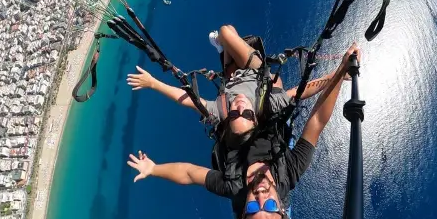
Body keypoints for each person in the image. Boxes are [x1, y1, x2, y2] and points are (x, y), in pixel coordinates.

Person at [127, 43, 361, 219]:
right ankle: (239, 60)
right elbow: (317, 122)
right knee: (275, 82)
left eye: (252, 209)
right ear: (282, 208)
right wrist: (340, 72)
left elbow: (189, 173)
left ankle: (228, 57)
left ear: (242, 217)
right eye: (270, 207)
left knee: (231, 75)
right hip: (265, 114)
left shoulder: (233, 186)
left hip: (238, 117)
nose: (261, 197)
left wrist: (153, 169)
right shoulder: (288, 172)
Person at [127, 25, 339, 140]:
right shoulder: (267, 105)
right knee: (226, 31)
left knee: (229, 40)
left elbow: (186, 99)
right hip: (256, 72)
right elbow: (301, 91)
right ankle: (223, 44)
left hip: (233, 77)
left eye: (234, 115)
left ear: (228, 119)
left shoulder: (220, 111)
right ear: (255, 118)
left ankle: (223, 48)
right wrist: (337, 75)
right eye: (246, 114)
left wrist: (153, 83)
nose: (239, 107)